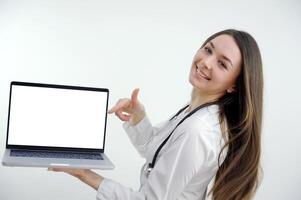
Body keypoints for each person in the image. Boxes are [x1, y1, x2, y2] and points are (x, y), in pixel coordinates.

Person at [48, 29, 263, 200]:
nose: (206, 62)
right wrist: (138, 115)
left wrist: (84, 173)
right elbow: (156, 151)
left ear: (234, 86)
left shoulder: (199, 131)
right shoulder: (197, 112)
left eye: (222, 63)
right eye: (208, 49)